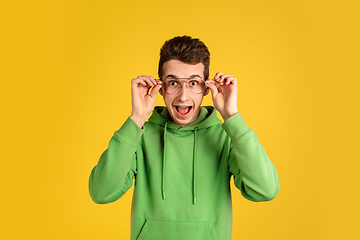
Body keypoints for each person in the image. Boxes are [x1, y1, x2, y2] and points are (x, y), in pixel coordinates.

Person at [89, 35, 280, 240]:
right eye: (173, 83)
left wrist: (232, 117)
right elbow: (101, 192)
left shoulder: (226, 136)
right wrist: (136, 119)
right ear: (160, 87)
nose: (183, 96)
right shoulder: (140, 134)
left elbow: (265, 190)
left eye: (193, 83)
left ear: (206, 88)